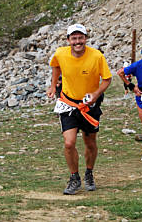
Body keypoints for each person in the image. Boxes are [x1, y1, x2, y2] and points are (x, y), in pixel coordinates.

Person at [47, 23, 112, 195]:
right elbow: (55, 66)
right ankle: (74, 178)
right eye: (74, 38)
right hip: (68, 103)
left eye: (80, 38)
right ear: (68, 40)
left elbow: (107, 79)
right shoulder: (61, 53)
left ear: (85, 39)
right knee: (69, 143)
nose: (77, 41)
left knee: (90, 142)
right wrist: (53, 86)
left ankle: (89, 173)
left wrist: (96, 94)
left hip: (89, 105)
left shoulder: (96, 56)